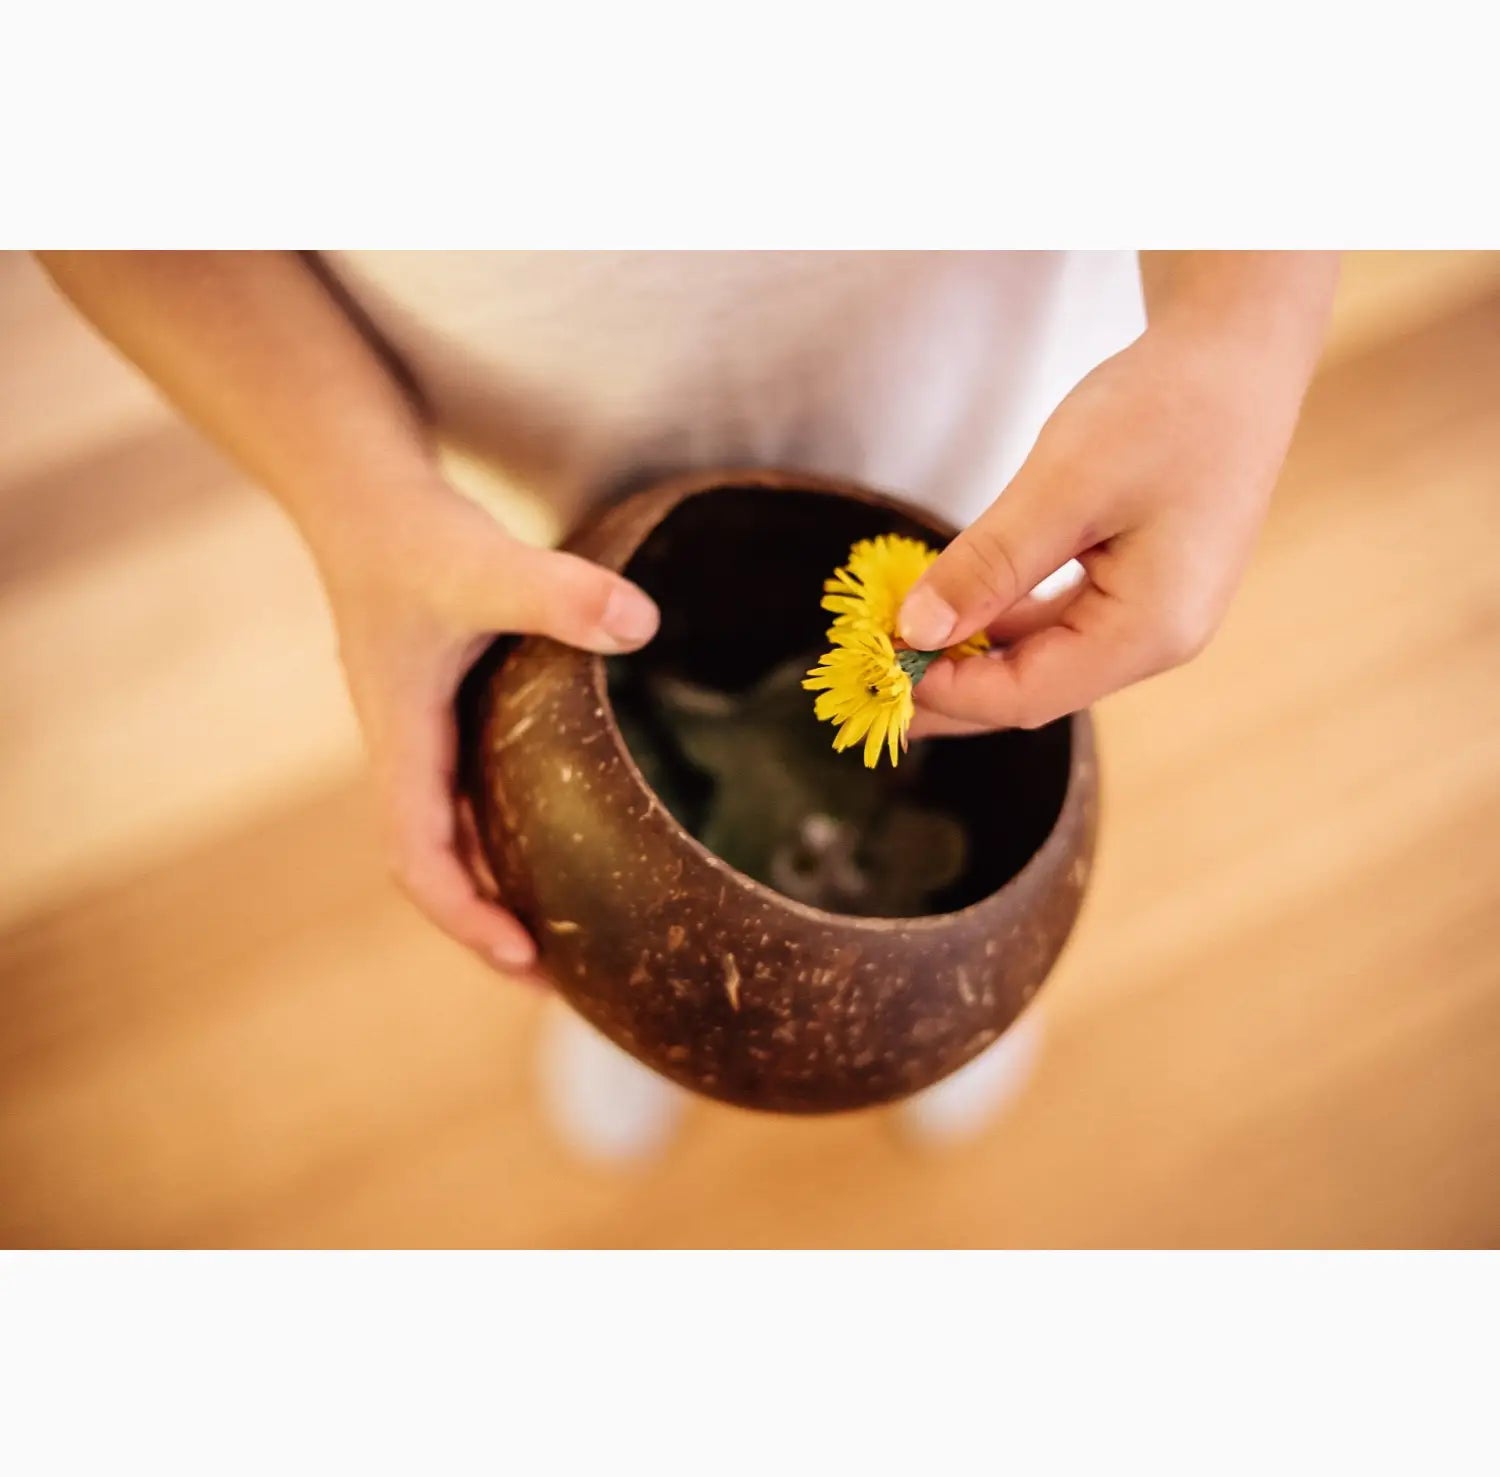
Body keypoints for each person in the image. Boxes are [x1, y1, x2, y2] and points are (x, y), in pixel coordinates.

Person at [38, 251, 1338, 1160]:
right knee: (610, 789)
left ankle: (938, 1002)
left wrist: (1244, 317)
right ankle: (652, 987)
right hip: (551, 400)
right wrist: (358, 496)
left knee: (983, 645)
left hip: (999, 369)